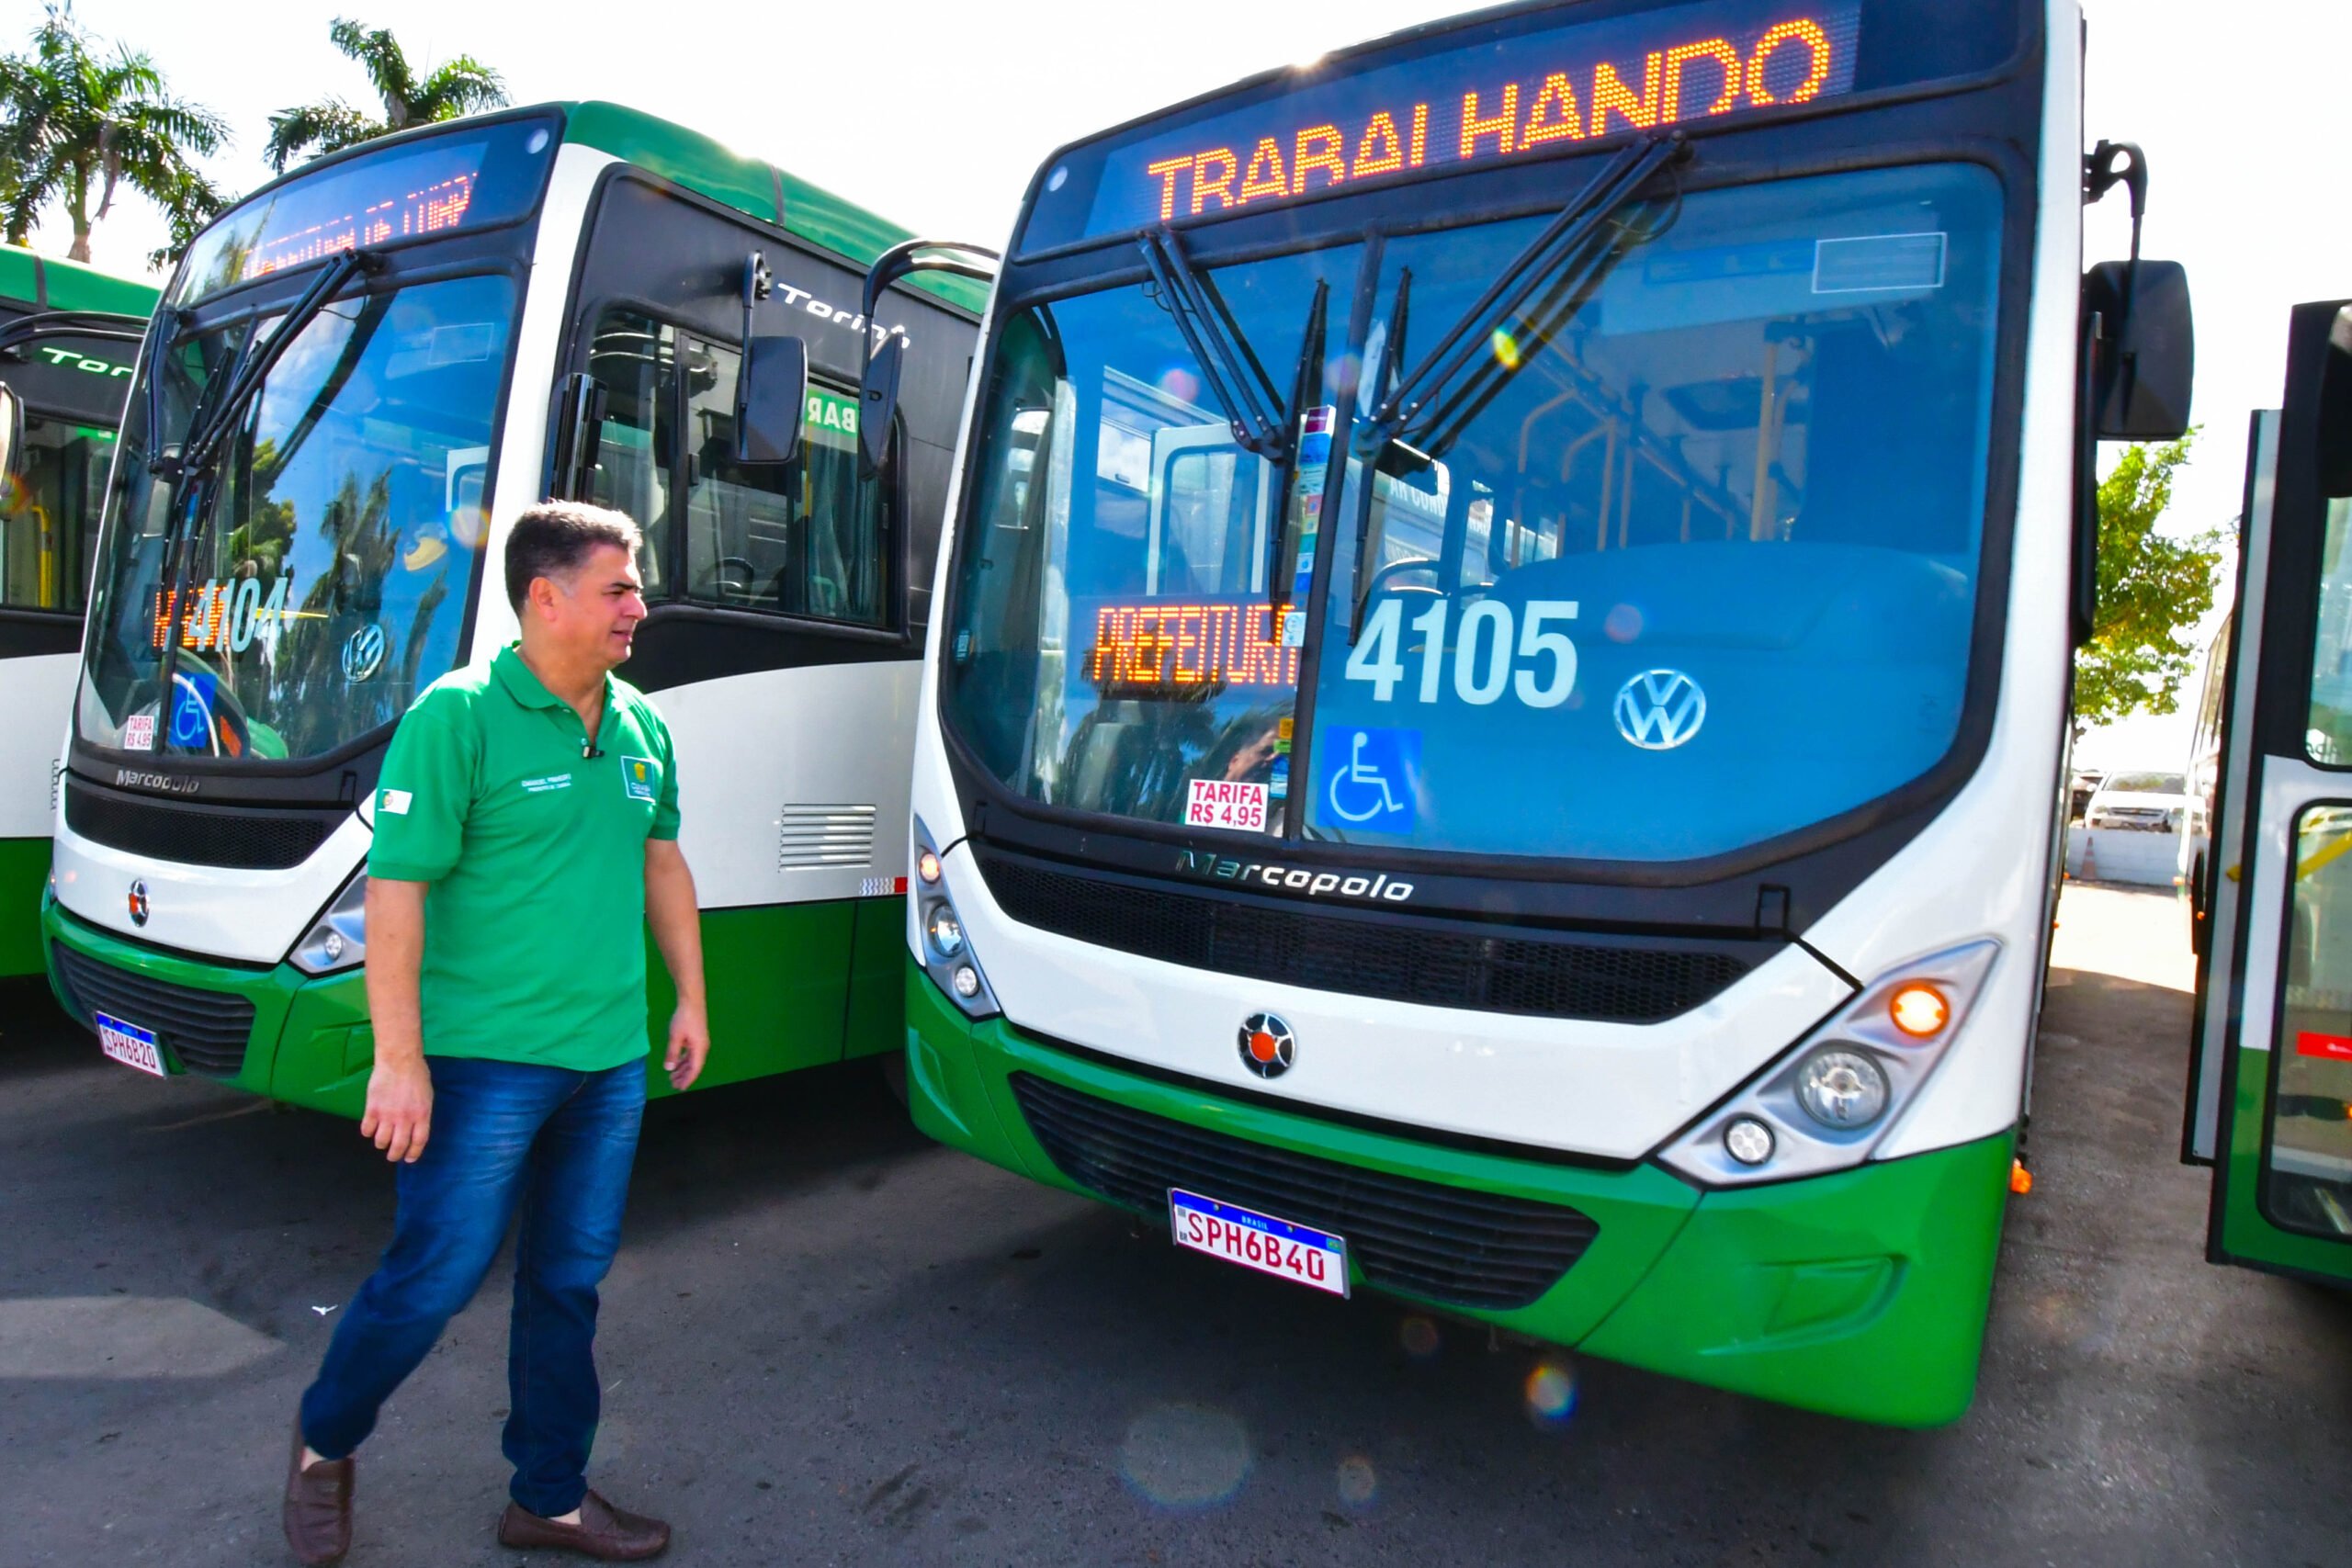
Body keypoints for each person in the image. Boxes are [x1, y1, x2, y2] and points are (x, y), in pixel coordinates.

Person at [282, 500, 709, 1564]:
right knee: (433, 1278)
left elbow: (661, 862)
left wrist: (691, 998)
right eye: (617, 589)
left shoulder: (641, 722)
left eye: (634, 587)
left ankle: (549, 1498)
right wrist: (397, 1059)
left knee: (567, 1284)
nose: (637, 608)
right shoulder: (458, 715)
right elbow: (396, 892)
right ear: (544, 596)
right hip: (481, 1067)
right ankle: (323, 1442)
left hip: (606, 1062)